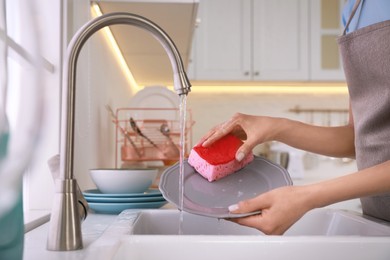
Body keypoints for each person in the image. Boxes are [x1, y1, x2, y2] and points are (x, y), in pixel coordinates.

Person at [198, 0, 390, 235]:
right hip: (379, 221)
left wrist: (307, 196)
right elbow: (358, 139)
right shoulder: (353, 11)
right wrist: (276, 127)